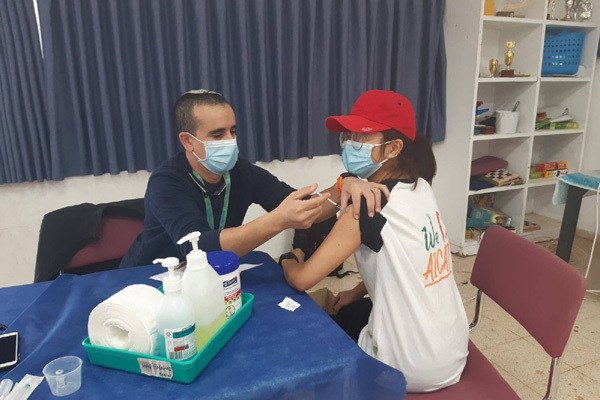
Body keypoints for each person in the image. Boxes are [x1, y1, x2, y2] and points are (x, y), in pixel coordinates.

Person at [279, 90, 469, 393]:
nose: (349, 144)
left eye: (361, 137)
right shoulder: (420, 188)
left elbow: (302, 279)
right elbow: (406, 264)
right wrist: (356, 292)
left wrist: (289, 258)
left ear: (393, 148)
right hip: (451, 349)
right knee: (349, 309)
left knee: (310, 335)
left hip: (406, 368)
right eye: (348, 135)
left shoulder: (366, 207)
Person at [120, 90, 388, 268]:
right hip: (152, 279)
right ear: (187, 141)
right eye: (217, 134)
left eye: (233, 131)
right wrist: (278, 220)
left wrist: (344, 184)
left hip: (210, 277)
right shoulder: (166, 182)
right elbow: (200, 249)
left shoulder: (241, 171)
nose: (230, 141)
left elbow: (306, 207)